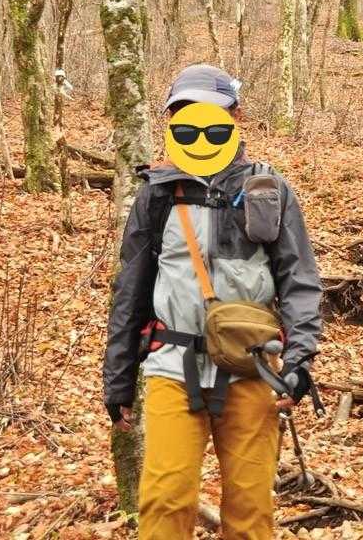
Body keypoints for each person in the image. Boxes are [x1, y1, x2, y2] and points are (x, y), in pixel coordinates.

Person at [102, 64, 323, 539]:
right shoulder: (157, 194)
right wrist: (118, 379)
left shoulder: (268, 190)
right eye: (184, 114)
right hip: (172, 367)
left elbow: (299, 279)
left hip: (251, 369)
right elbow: (131, 290)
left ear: (234, 116)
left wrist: (299, 360)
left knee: (250, 507)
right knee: (165, 500)